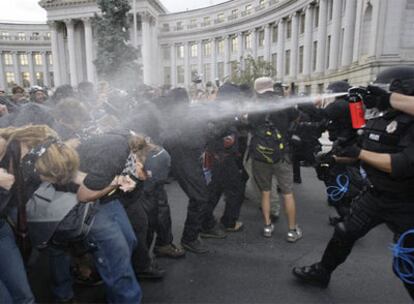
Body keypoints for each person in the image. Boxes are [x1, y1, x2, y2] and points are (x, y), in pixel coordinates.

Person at [292, 66, 414, 300]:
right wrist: (336, 157)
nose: (378, 95)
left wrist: (358, 153)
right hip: (375, 194)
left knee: (406, 263)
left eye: (385, 90)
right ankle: (322, 271)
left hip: (407, 203)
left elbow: (401, 164)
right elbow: (364, 152)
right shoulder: (380, 117)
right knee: (344, 232)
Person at [249, 77, 302, 241]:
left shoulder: (253, 106)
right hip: (282, 154)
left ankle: (267, 227)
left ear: (257, 90)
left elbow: (249, 124)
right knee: (287, 192)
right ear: (272, 88)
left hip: (260, 155)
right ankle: (292, 231)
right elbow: (297, 116)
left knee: (265, 192)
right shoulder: (283, 102)